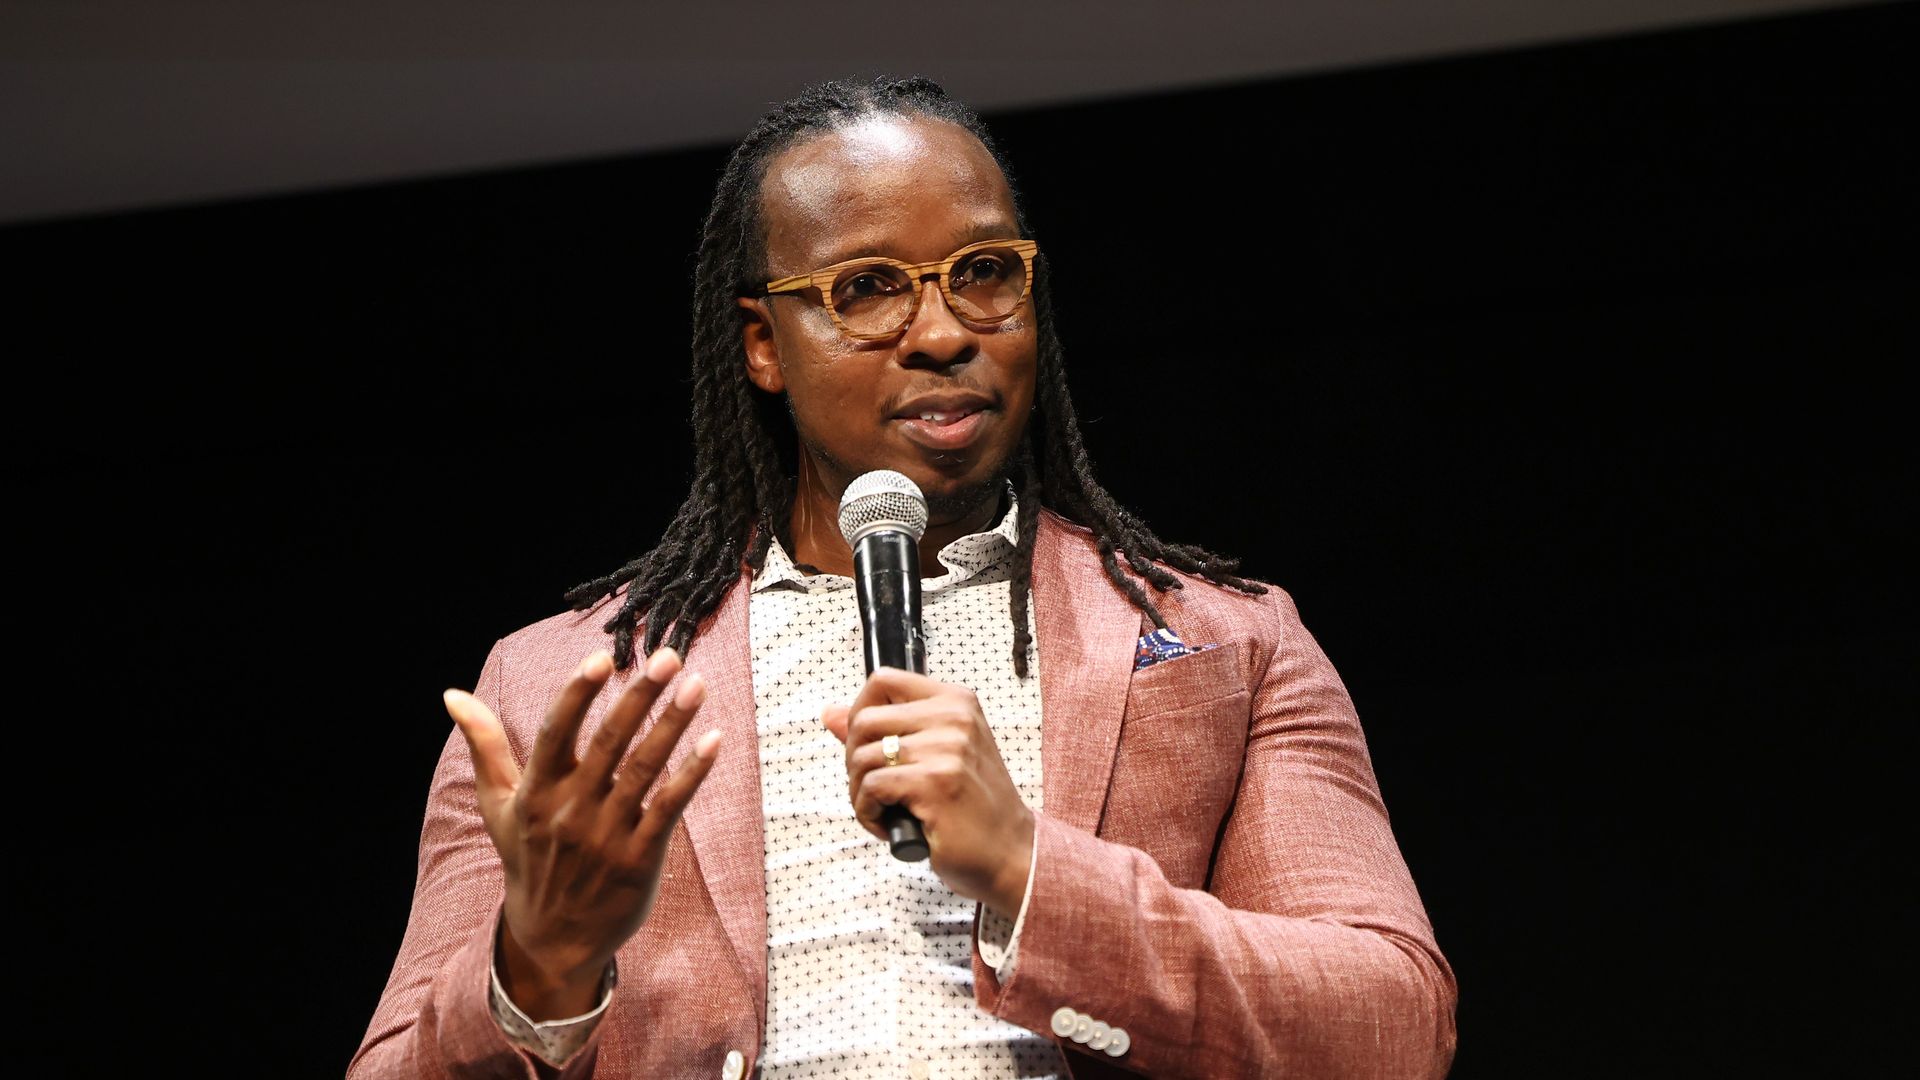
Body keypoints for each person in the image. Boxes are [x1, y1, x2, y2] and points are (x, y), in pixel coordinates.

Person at [350, 76, 1457, 1080]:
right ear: (763, 344)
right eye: (867, 288)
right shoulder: (559, 689)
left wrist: (1030, 868)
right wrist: (536, 969)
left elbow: (1393, 1026)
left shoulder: (1226, 643)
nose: (937, 332)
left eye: (981, 275)